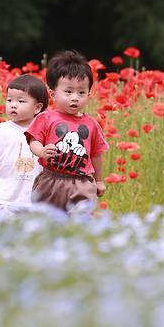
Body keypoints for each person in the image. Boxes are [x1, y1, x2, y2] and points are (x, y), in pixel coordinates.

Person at [25, 50, 109, 213]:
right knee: (46, 220)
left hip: (82, 183)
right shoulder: (46, 118)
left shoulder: (91, 124)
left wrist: (99, 181)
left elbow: (96, 154)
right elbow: (33, 141)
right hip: (50, 180)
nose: (75, 97)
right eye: (68, 92)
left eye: (81, 92)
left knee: (82, 220)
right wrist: (41, 151)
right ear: (53, 94)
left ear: (89, 94)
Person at [0, 74, 49, 217]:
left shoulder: (44, 132)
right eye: (9, 100)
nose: (13, 105)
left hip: (34, 199)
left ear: (37, 107)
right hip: (4, 198)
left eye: (21, 101)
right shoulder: (2, 130)